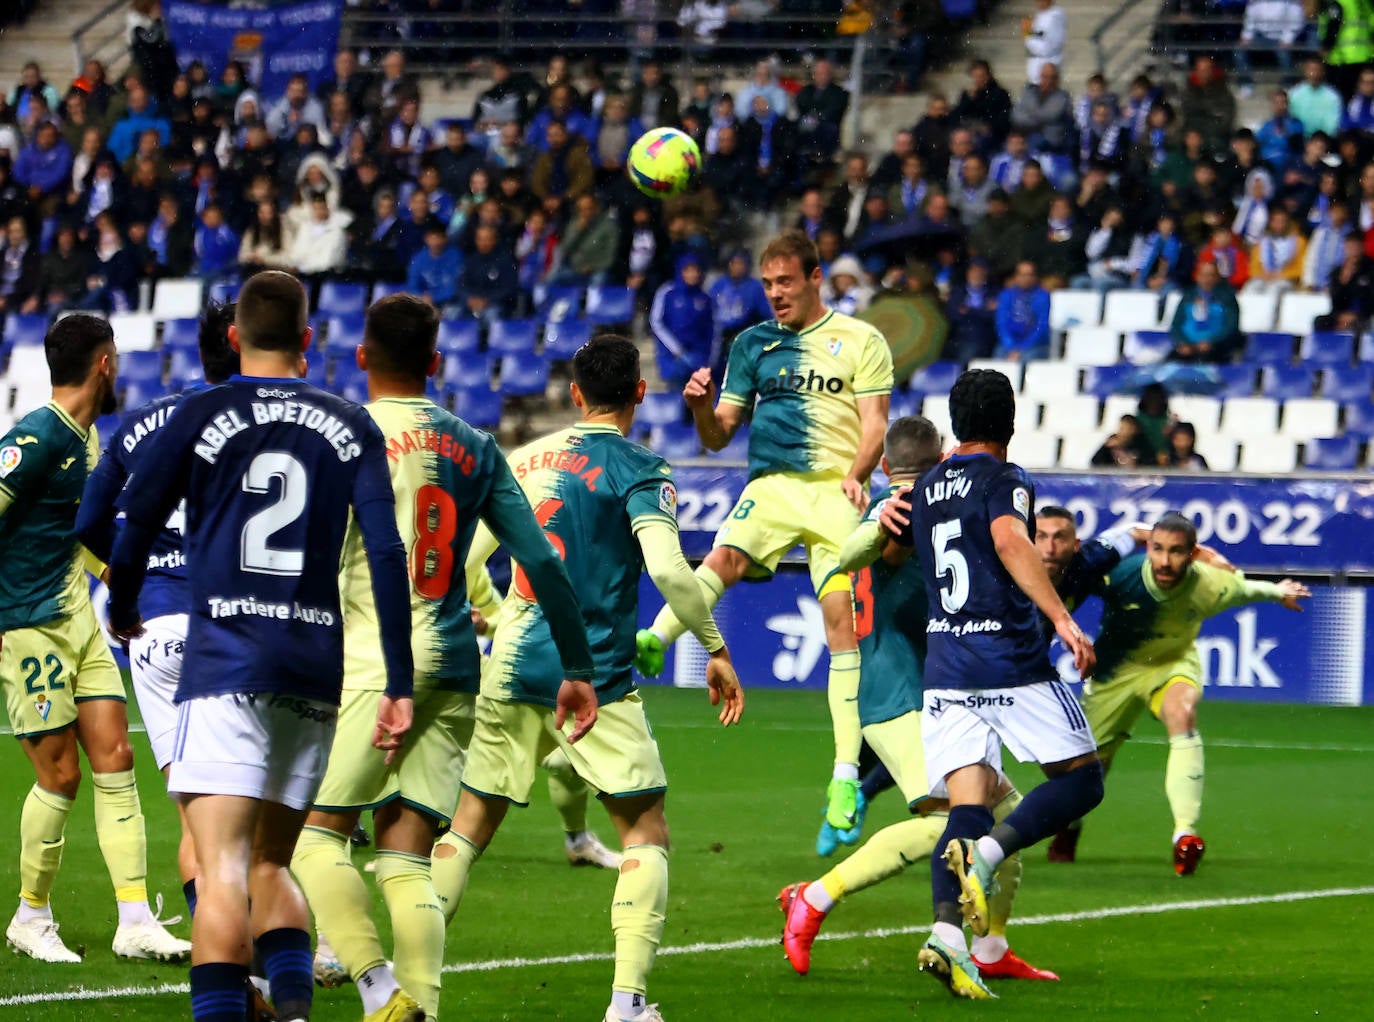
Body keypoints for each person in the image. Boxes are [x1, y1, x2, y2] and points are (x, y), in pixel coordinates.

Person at [104, 271, 416, 1022]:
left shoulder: (201, 409)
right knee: (275, 863)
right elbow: (384, 551)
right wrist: (398, 681)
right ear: (309, 340)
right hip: (313, 666)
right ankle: (296, 1012)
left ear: (234, 337)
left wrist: (120, 604)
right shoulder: (351, 423)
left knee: (221, 872)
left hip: (225, 662)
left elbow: (137, 517)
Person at [289, 295, 597, 1020]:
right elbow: (541, 563)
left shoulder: (341, 436)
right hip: (457, 662)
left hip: (372, 661)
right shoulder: (475, 446)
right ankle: (420, 1007)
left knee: (314, 838)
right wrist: (577, 667)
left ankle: (376, 985)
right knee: (406, 856)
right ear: (435, 363)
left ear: (362, 357)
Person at [440, 334, 744, 1022]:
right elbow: (670, 571)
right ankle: (627, 1004)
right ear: (640, 392)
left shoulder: (523, 459)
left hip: (513, 664)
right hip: (596, 677)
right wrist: (715, 646)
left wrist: (497, 614)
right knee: (645, 830)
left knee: (466, 829)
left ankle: (407, 982)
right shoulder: (640, 466)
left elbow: (463, 562)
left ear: (575, 395)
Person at [778, 416, 1057, 984]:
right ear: (945, 459)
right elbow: (875, 551)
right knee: (952, 829)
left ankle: (991, 949)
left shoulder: (910, 506)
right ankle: (813, 896)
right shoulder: (906, 511)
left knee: (1006, 824)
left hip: (929, 692)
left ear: (882, 463)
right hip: (902, 694)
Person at [636, 230, 894, 840]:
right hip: (773, 486)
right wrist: (700, 405)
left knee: (839, 625)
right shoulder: (753, 344)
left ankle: (843, 778)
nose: (776, 294)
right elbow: (719, 434)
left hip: (835, 489)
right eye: (767, 284)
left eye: (785, 282)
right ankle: (655, 640)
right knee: (721, 557)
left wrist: (858, 476)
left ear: (814, 277)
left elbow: (876, 424)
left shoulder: (862, 340)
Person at [880, 368, 1103, 1000]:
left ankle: (948, 940)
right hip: (1007, 658)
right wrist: (1061, 617)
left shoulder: (925, 488)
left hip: (945, 667)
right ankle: (988, 858)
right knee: (1083, 779)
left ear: (957, 423)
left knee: (968, 809)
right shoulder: (1007, 480)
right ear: (1009, 424)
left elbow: (894, 553)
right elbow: (1009, 538)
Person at [0, 314, 191, 965]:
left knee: (115, 757)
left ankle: (134, 919)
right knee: (60, 774)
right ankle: (30, 916)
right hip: (29, 626)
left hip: (79, 622)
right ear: (105, 362)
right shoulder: (37, 436)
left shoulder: (86, 439)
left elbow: (71, 529)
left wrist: (114, 575)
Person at [75, 301, 241, 933]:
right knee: (257, 813)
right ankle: (272, 960)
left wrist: (121, 580)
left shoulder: (142, 423)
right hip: (236, 625)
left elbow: (88, 522)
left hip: (155, 632)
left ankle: (219, 962)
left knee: (196, 815)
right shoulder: (260, 421)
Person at [1051, 514, 1310, 874]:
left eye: (1176, 552)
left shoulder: (1209, 584)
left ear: (1192, 554)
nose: (1165, 561)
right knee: (1090, 765)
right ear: (1149, 548)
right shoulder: (1122, 573)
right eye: (1158, 549)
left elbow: (1247, 588)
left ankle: (1184, 836)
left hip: (1172, 666)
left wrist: (1279, 592)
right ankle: (1070, 828)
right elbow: (1070, 581)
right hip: (1115, 673)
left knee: (1183, 715)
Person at [650, 253, 717, 390]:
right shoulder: (667, 292)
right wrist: (677, 350)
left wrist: (708, 359)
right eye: (688, 270)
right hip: (672, 357)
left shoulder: (705, 298)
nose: (692, 274)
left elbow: (712, 330)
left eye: (695, 270)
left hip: (699, 358)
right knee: (676, 394)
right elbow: (656, 322)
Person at [1169, 259, 1242, 362]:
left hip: (1215, 349)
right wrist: (1183, 343)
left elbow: (1231, 327)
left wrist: (1211, 342)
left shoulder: (1227, 299)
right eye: (1203, 275)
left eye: (1210, 275)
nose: (1206, 279)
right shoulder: (1188, 297)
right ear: (1197, 276)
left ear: (1217, 278)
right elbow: (1176, 324)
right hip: (1188, 348)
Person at [994, 260, 1051, 361]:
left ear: (1035, 277)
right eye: (1022, 274)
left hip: (1035, 346)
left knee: (1027, 358)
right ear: (1016, 276)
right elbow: (1001, 323)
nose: (1026, 278)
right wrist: (1010, 346)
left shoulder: (1043, 296)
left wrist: (1022, 348)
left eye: (1029, 275)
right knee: (998, 356)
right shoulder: (1006, 295)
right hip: (1009, 345)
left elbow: (1042, 326)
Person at [1022, 0, 1066, 84]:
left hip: (1047, 68)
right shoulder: (1042, 14)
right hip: (1036, 70)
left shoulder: (1055, 16)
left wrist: (1027, 35)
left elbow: (1048, 47)